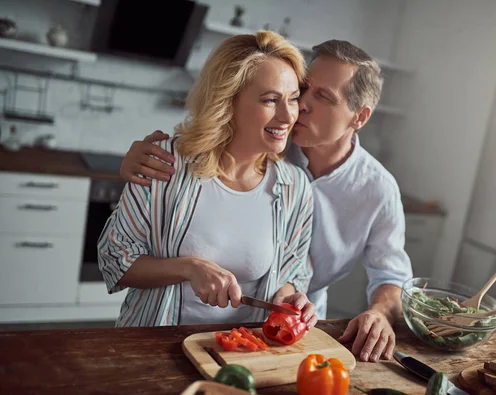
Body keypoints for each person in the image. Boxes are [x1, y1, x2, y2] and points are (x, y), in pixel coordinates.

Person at [120, 39, 413, 362]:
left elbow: (390, 275)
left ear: (360, 117)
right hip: (174, 326)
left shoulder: (377, 188)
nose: (300, 106)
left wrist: (381, 314)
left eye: (324, 97)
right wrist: (138, 160)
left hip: (294, 317)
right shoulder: (265, 141)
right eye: (304, 90)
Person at [98, 31, 317, 329]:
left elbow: (292, 274)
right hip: (153, 346)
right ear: (228, 101)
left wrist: (291, 299)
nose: (287, 115)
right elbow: (115, 259)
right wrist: (189, 268)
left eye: (292, 99)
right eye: (270, 100)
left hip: (240, 353)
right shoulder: (166, 163)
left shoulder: (296, 187)